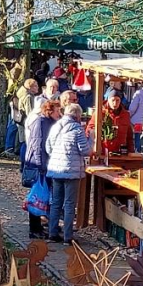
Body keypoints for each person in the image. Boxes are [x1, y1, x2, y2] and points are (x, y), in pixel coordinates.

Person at [44, 104, 91, 244]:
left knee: (56, 202)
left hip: (56, 169)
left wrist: (57, 158)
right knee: (70, 204)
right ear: (77, 116)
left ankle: (52, 234)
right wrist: (91, 139)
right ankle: (67, 237)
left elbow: (48, 147)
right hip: (72, 171)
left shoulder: (56, 126)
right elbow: (85, 151)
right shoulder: (78, 130)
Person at [23, 99, 62, 238]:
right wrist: (40, 165)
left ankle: (40, 226)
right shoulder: (40, 122)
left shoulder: (51, 122)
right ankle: (34, 229)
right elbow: (37, 145)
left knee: (43, 196)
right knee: (37, 196)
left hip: (45, 164)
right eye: (58, 111)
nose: (60, 113)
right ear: (49, 111)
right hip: (38, 164)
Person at [86, 89, 133, 154]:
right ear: (108, 100)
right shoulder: (100, 113)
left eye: (117, 100)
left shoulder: (125, 115)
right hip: (103, 151)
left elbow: (129, 135)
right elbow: (89, 131)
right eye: (113, 100)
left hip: (121, 152)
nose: (115, 103)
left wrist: (131, 151)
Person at [129, 83, 143, 153]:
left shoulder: (138, 94)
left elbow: (132, 108)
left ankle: (136, 153)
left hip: (136, 121)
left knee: (136, 140)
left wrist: (128, 116)